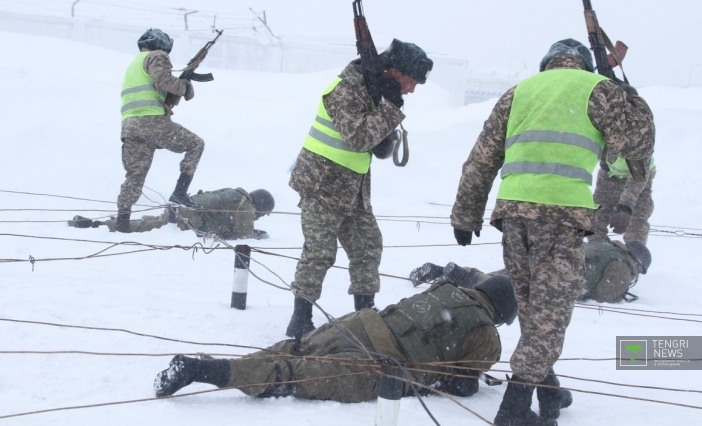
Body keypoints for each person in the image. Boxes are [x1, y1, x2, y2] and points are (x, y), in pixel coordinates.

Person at [450, 39, 655, 426]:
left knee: (532, 307)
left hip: (513, 213)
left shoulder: (519, 92)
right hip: (560, 217)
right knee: (550, 316)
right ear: (584, 63)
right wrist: (632, 99)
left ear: (548, 64)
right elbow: (639, 147)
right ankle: (513, 411)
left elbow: (481, 159)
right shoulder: (598, 89)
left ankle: (549, 390)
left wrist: (465, 214)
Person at [154, 275, 517, 403]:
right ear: (501, 314)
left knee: (294, 349)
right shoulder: (487, 336)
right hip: (380, 364)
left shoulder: (446, 288)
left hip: (359, 323)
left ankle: (216, 365)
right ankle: (201, 370)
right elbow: (462, 386)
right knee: (292, 376)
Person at [285, 39, 434, 338]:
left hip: (353, 189)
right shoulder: (348, 88)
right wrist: (390, 109)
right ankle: (300, 319)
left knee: (368, 247)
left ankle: (365, 316)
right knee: (319, 253)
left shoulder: (375, 90)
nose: (412, 89)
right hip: (321, 184)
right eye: (411, 81)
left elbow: (376, 146)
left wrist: (387, 107)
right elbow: (359, 138)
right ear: (395, 71)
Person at [116, 28, 204, 233]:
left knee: (135, 175)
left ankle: (122, 221)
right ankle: (179, 194)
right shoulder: (157, 56)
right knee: (196, 145)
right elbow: (165, 80)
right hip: (152, 122)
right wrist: (186, 87)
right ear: (162, 46)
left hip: (130, 126)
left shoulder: (134, 64)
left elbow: (155, 87)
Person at [409, 238, 651, 304]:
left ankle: (453, 273)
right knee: (503, 287)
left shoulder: (605, 245)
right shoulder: (621, 266)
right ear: (636, 263)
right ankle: (464, 279)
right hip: (560, 277)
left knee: (501, 277)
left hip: (547, 257)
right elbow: (604, 296)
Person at [71, 188, 275, 240]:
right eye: (263, 214)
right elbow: (243, 235)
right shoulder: (246, 206)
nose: (259, 216)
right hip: (190, 218)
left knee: (151, 222)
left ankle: (112, 222)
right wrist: (259, 234)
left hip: (184, 209)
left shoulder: (235, 193)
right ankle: (100, 225)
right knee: (148, 226)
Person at [588, 147, 656, 266]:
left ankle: (633, 263)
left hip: (641, 178)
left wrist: (625, 208)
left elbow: (637, 180)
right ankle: (600, 256)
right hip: (609, 175)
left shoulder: (639, 139)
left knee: (637, 221)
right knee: (595, 219)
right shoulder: (605, 135)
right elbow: (601, 196)